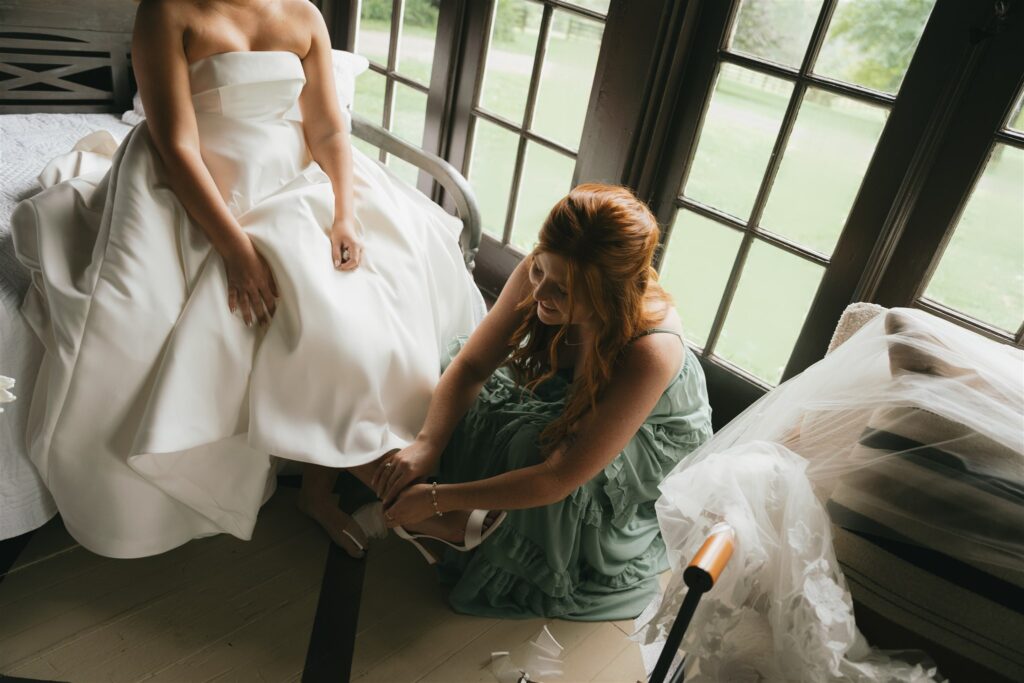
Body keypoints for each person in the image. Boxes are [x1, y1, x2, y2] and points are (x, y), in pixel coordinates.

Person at [11, 0, 483, 559]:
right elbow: (176, 144)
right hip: (199, 179)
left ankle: (333, 485)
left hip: (296, 173)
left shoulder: (304, 14)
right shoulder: (167, 12)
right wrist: (236, 250)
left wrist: (344, 211)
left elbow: (329, 128)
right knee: (277, 300)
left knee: (374, 280)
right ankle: (396, 487)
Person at [374, 184, 714, 620]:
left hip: (640, 439)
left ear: (609, 294)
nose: (539, 295)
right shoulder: (548, 273)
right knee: (456, 383)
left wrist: (440, 499)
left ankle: (471, 529)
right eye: (540, 273)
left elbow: (558, 476)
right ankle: (464, 511)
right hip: (571, 387)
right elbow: (473, 365)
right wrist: (427, 443)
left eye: (563, 291)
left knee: (532, 449)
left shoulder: (650, 351)